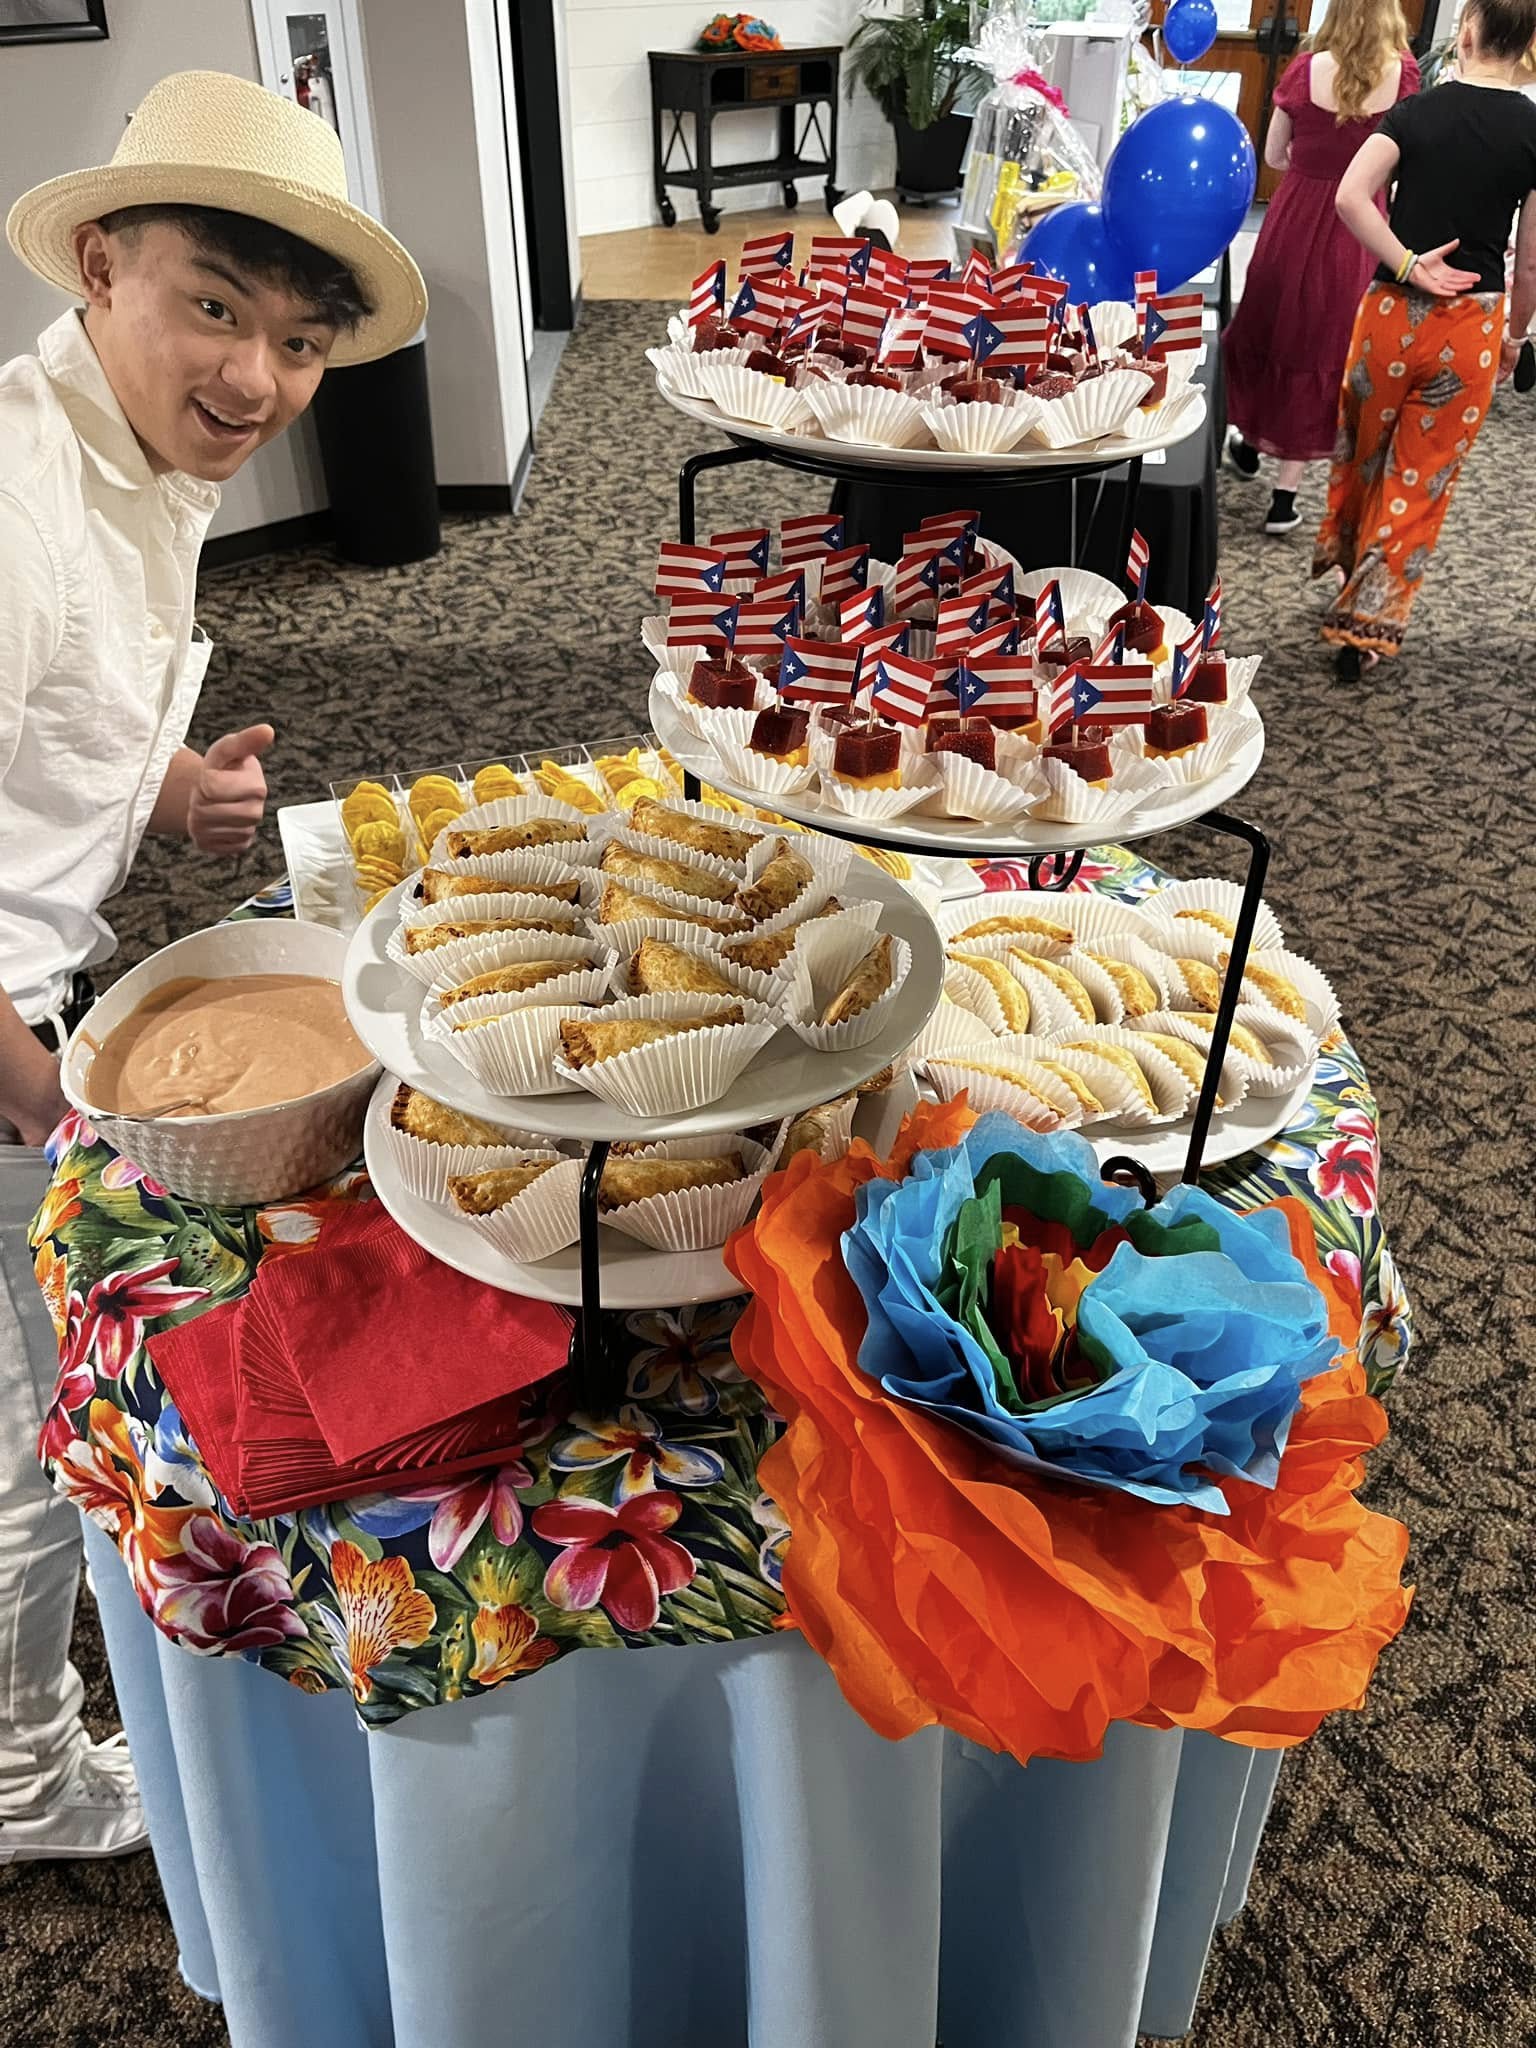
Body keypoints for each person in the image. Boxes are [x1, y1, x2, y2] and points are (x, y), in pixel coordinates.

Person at [0, 70, 424, 1862]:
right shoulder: (18, 499)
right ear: (102, 263)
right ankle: (23, 1783)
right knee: (39, 1430)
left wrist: (165, 786)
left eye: (301, 342)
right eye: (215, 308)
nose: (257, 380)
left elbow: (53, 706)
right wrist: (56, 1106)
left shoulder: (124, 450)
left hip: (50, 970)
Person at [1316, 0, 1536, 674]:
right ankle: (1366, 624)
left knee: (1365, 455)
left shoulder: (1416, 112)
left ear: (1465, 32)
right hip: (1472, 325)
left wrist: (1410, 263)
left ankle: (1349, 570)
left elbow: (1350, 197)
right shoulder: (1533, 130)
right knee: (1422, 477)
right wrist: (1515, 338)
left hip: (1389, 313)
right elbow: (1531, 263)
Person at [1223, 0, 1420, 536]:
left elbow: (1273, 155)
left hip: (1294, 219)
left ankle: (1248, 441)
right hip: (1357, 230)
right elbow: (1404, 163)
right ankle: (1283, 498)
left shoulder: (1304, 70)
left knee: (1271, 328)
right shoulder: (1404, 77)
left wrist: (1312, 165)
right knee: (1323, 348)